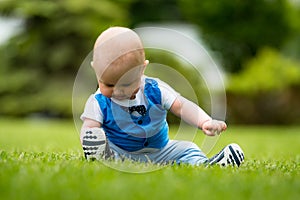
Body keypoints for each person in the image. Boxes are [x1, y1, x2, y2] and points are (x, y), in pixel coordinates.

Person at [80, 26, 244, 167]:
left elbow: (181, 106)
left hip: (161, 151)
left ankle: (206, 165)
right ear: (96, 70)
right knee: (102, 147)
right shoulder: (98, 101)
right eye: (108, 84)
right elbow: (89, 127)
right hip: (119, 153)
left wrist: (205, 121)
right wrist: (92, 139)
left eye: (125, 85)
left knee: (189, 149)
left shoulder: (155, 89)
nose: (117, 91)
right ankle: (99, 157)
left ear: (142, 69)